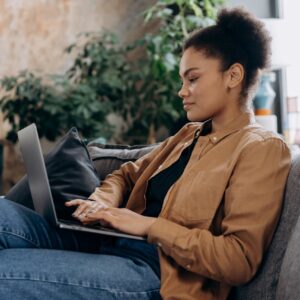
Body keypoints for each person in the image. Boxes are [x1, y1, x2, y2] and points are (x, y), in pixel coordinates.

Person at [0, 7, 291, 300]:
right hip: (109, 243)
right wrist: (101, 203)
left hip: (156, 273)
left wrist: (148, 225)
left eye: (192, 79)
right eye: (182, 80)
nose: (182, 91)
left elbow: (239, 260)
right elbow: (126, 174)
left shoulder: (260, 148)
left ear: (233, 76)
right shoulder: (188, 135)